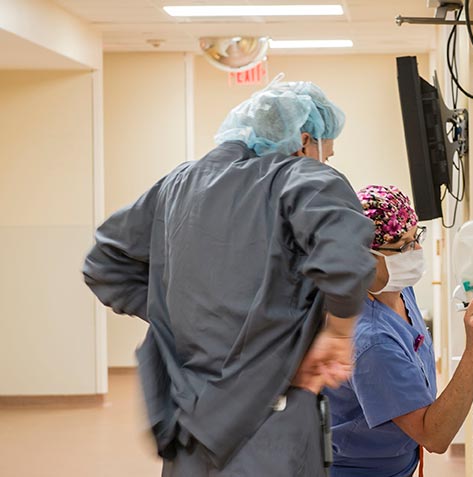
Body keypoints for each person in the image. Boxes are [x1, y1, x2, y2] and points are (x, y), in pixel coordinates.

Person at [82, 76, 376, 477]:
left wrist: (176, 311)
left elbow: (104, 262)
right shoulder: (303, 178)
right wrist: (339, 334)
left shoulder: (178, 184)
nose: (325, 160)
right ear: (304, 139)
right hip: (269, 418)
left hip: (188, 415)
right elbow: (345, 259)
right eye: (326, 150)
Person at [324, 185, 473, 477]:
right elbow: (434, 436)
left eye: (415, 236)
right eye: (403, 245)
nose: (417, 251)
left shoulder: (395, 288)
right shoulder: (371, 341)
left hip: (397, 461)